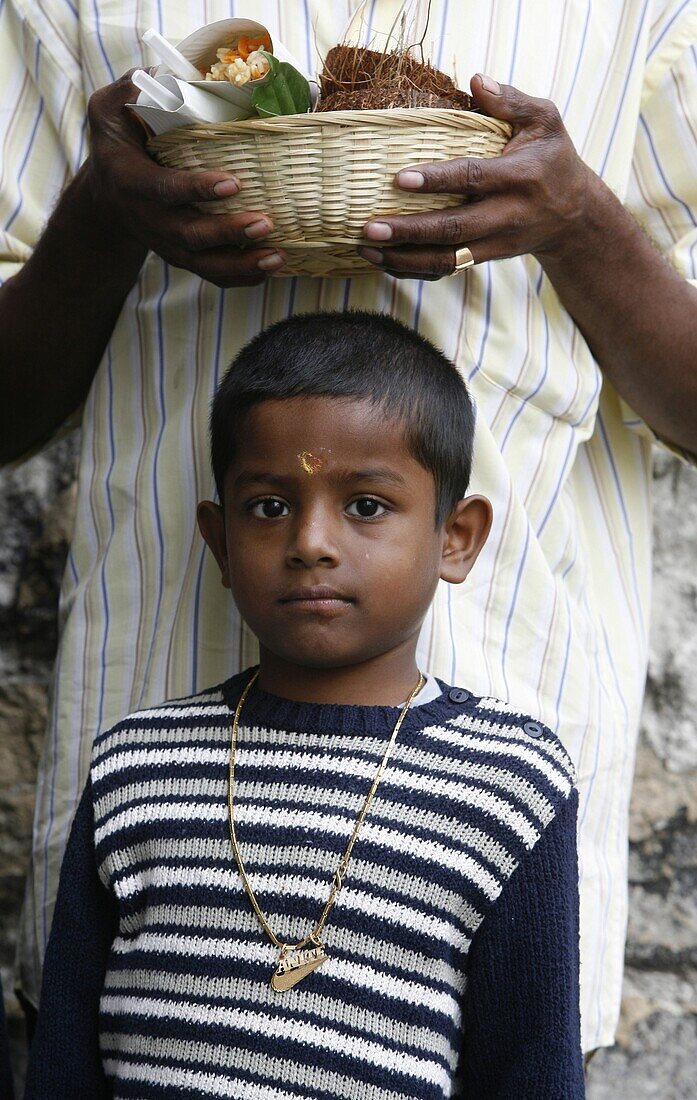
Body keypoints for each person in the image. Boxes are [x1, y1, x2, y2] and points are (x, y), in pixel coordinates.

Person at [1, 0, 696, 1057]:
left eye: (360, 507)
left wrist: (578, 221)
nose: (318, 542)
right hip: (158, 797)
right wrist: (104, 210)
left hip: (493, 788)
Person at [24, 312, 584, 1099]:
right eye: (267, 507)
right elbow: (63, 1058)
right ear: (219, 544)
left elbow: (530, 1069)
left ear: (454, 537)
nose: (311, 542)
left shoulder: (508, 785)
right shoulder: (138, 764)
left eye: (365, 506)